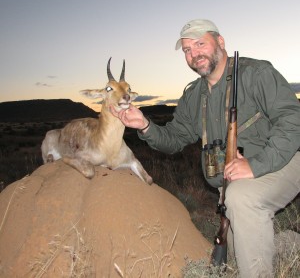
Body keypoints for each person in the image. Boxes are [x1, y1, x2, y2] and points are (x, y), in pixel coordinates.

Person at [110, 19, 300, 277]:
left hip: (284, 161)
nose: (193, 53)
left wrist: (256, 165)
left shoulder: (256, 73)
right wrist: (144, 125)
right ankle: (287, 244)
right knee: (237, 246)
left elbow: (292, 120)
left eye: (200, 44)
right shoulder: (193, 95)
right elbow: (175, 138)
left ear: (220, 42)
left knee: (242, 199)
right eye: (187, 50)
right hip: (232, 178)